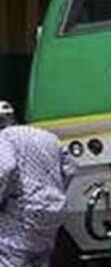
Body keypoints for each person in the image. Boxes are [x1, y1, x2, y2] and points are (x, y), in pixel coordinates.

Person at [0, 105, 74, 267]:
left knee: (9, 257)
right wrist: (55, 192)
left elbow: (5, 168)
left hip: (22, 213)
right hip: (53, 211)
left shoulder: (4, 137)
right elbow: (70, 168)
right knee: (40, 259)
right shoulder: (48, 136)